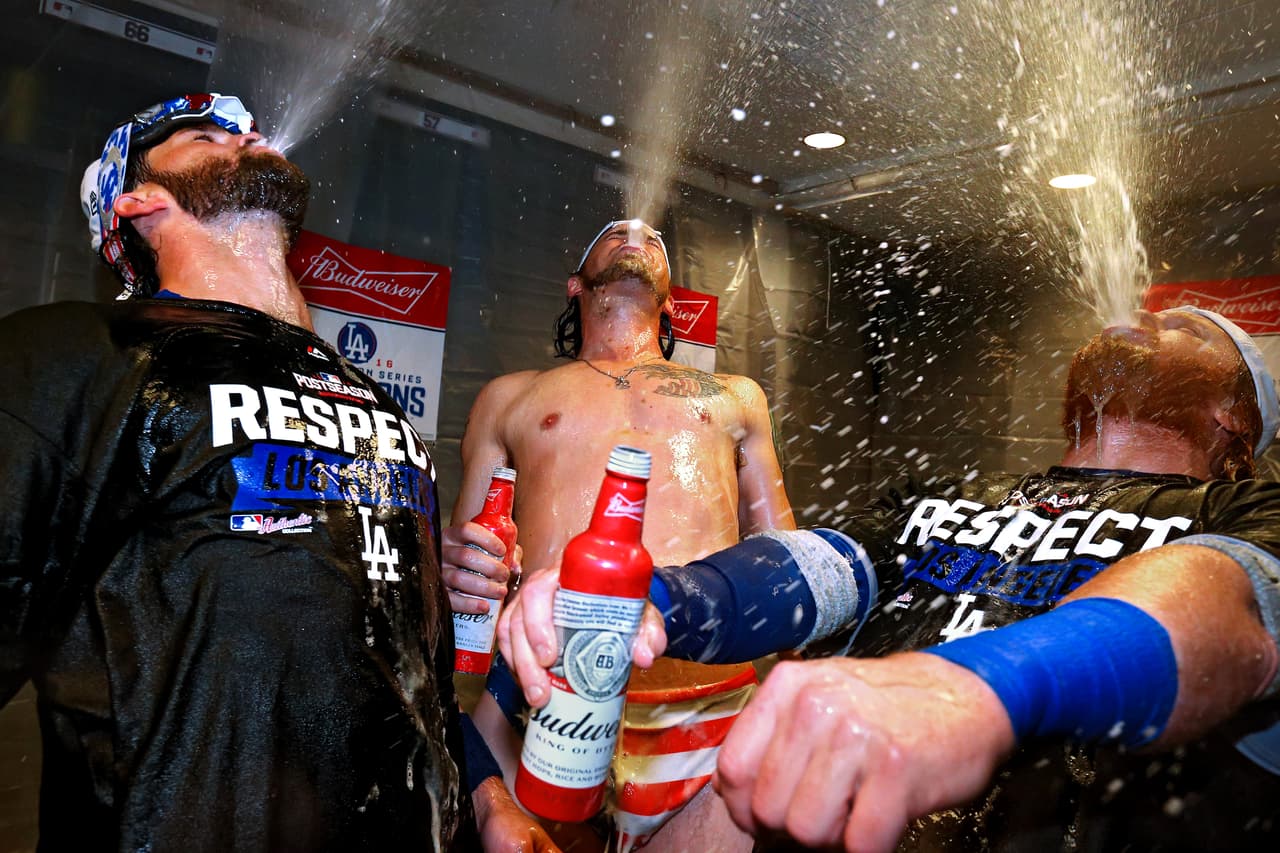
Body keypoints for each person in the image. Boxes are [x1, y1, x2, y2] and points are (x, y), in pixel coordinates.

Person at [500, 305, 1280, 851]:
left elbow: (1227, 602)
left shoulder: (1247, 506)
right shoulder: (946, 501)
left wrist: (970, 687)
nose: (1146, 319)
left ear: (1233, 419)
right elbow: (812, 570)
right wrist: (654, 601)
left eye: (1185, 327)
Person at [0, 93, 553, 852]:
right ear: (139, 200)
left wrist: (486, 795)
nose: (246, 132)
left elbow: (393, 664)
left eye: (246, 126)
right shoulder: (72, 357)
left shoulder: (368, 398)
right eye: (203, 135)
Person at [443, 218, 796, 849]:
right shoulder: (511, 397)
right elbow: (470, 564)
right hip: (544, 690)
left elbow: (782, 555)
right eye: (615, 230)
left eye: (656, 238)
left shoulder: (734, 397)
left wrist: (796, 691)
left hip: (701, 696)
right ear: (575, 283)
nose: (639, 230)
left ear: (670, 299)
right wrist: (464, 572)